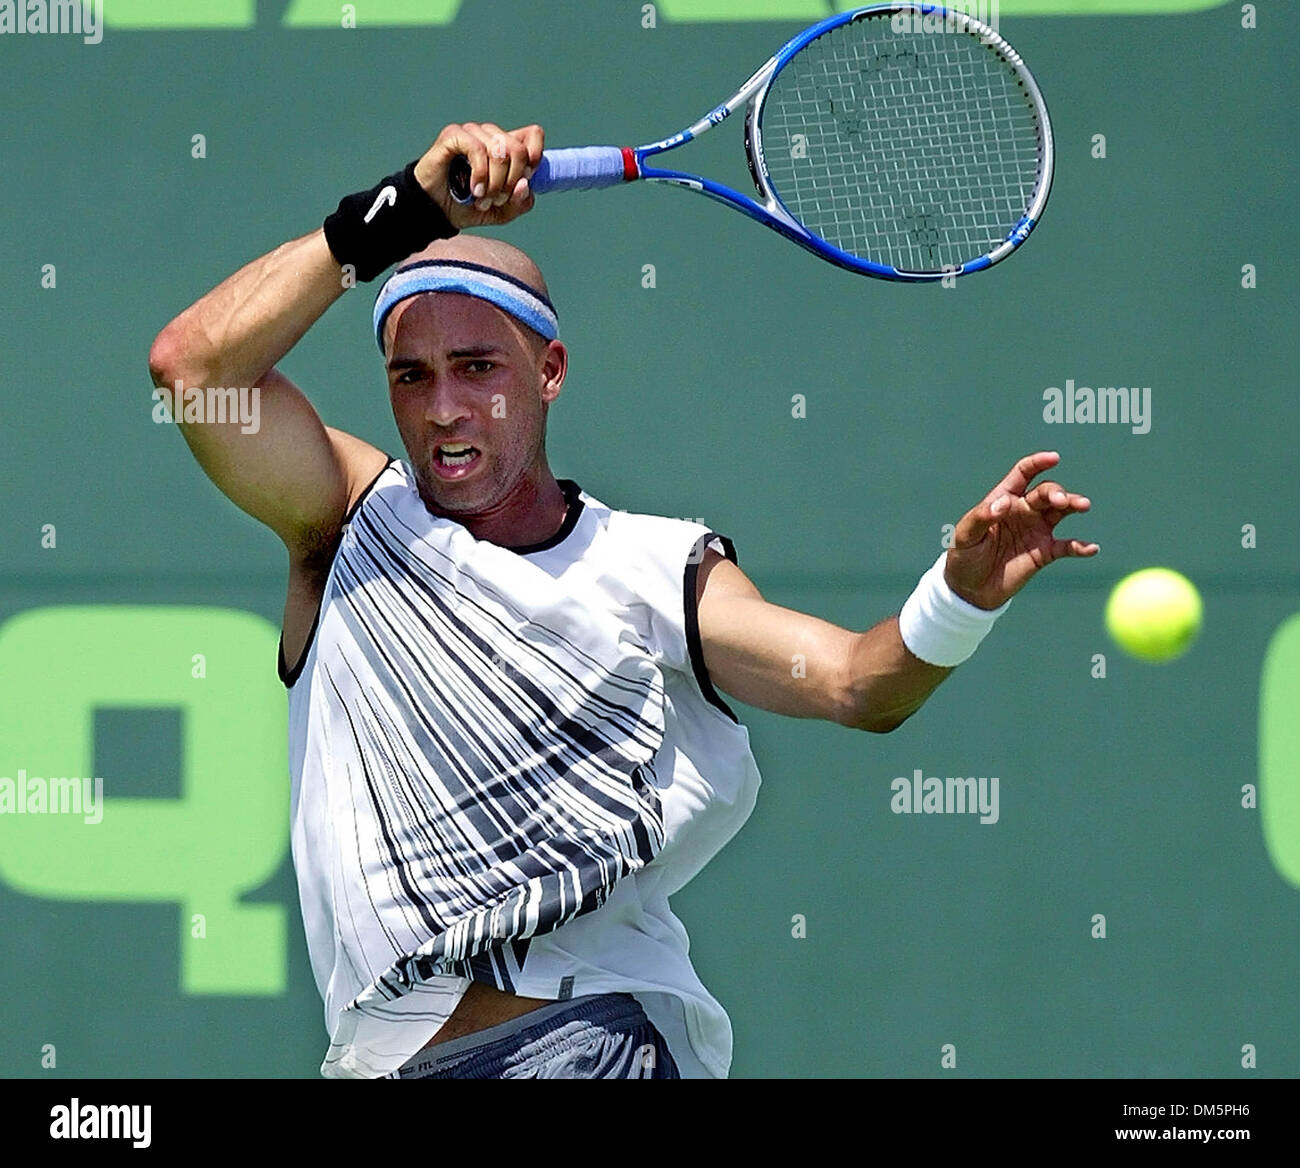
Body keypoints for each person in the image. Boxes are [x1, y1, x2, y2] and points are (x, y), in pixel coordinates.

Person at [147, 121, 1097, 1080]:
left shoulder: (655, 570)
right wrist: (403, 211)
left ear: (548, 372)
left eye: (478, 368)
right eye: (412, 376)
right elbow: (193, 369)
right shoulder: (349, 519)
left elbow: (859, 684)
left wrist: (962, 595)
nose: (443, 408)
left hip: (580, 1047)